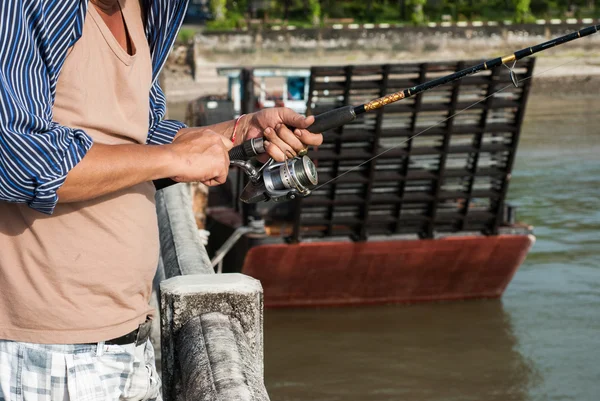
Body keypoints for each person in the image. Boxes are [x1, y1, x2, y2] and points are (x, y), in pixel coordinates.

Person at [0, 1, 323, 400]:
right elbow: (17, 158)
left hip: (130, 339)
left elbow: (140, 137)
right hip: (51, 352)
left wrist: (241, 132)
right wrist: (177, 158)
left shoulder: (144, 9)